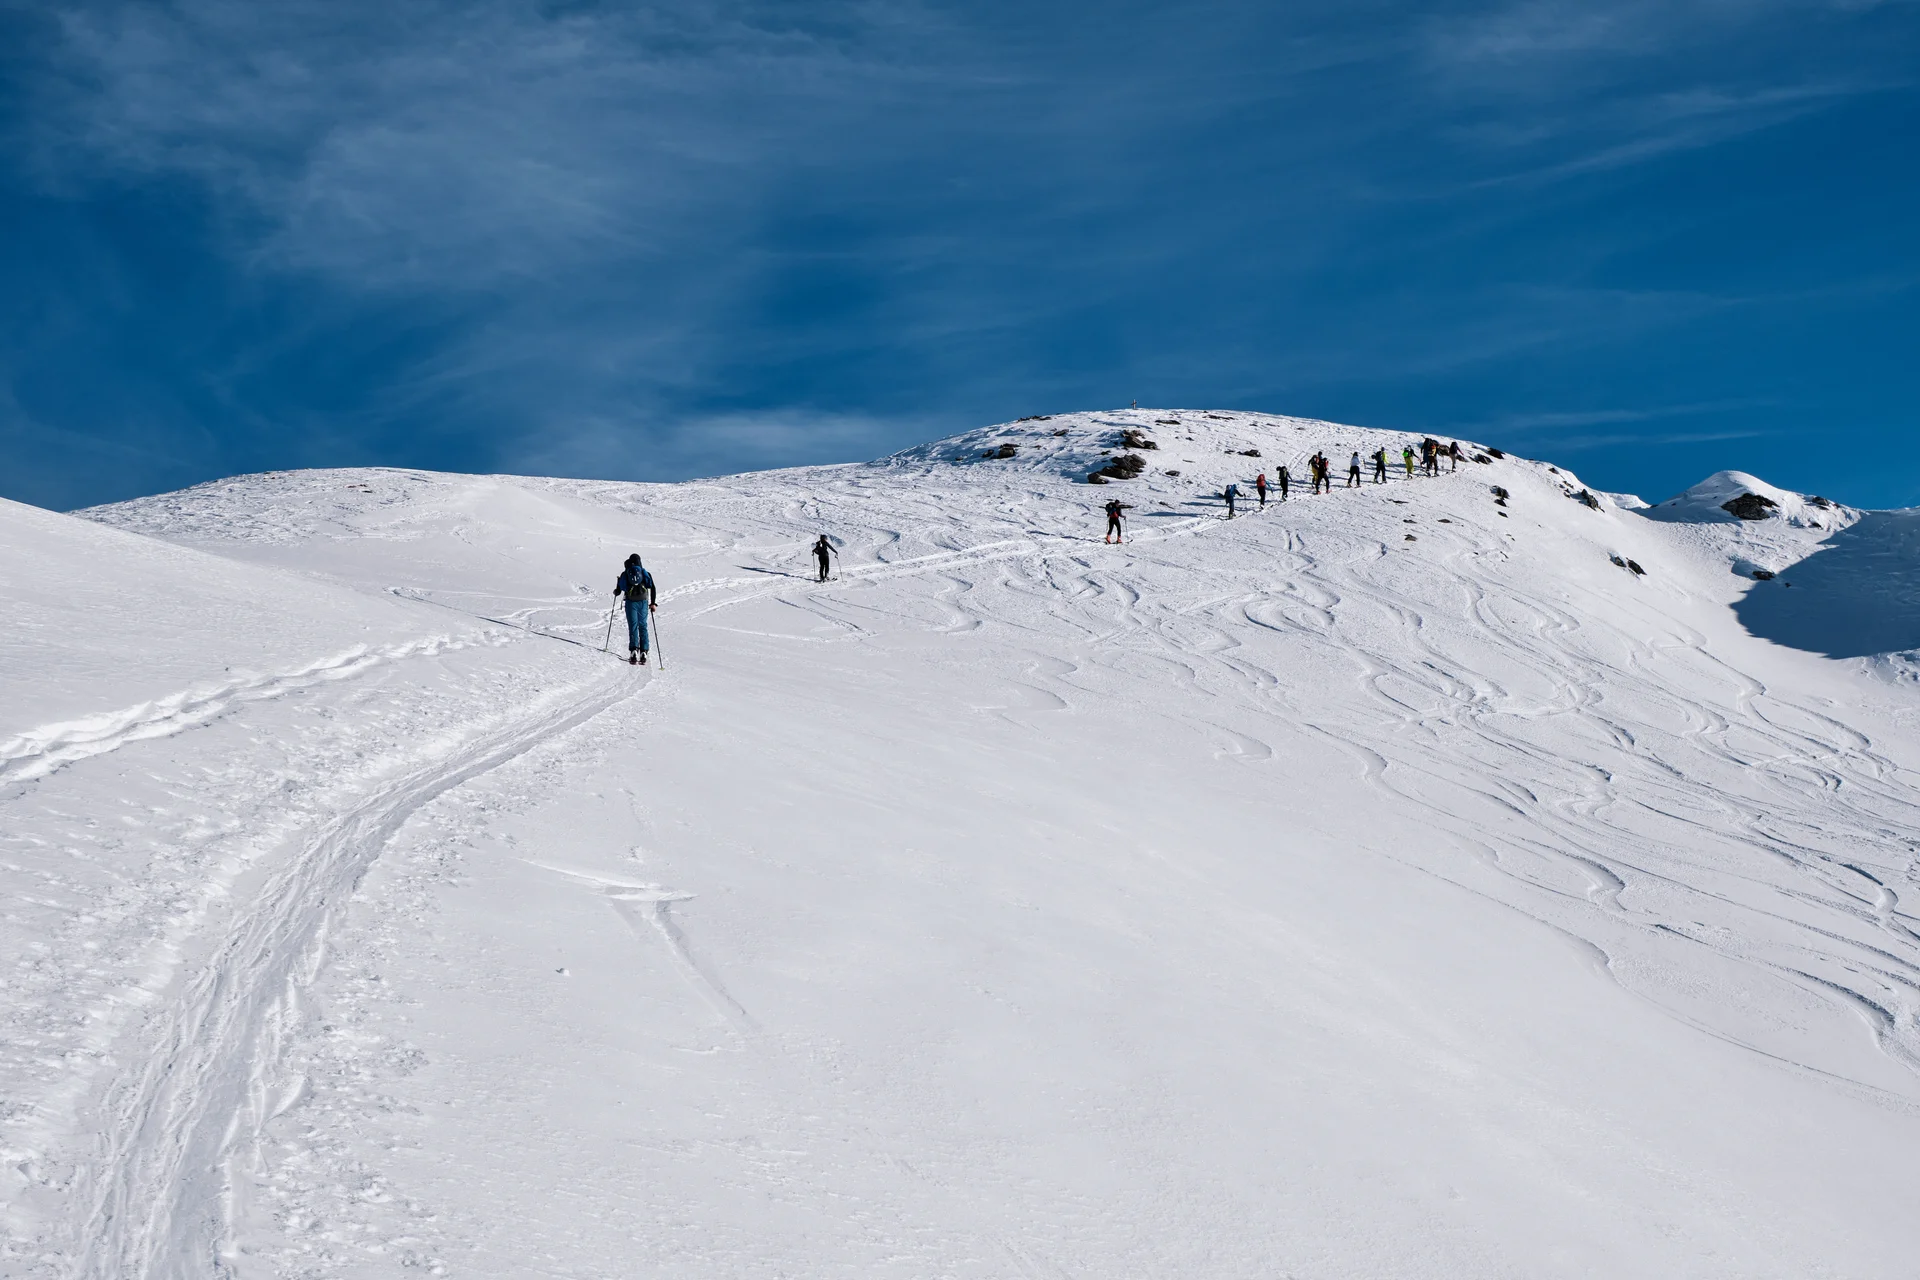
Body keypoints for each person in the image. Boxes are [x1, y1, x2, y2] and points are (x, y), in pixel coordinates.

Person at [612, 553, 658, 666]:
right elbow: (652, 587)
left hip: (630, 602)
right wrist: (652, 603)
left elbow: (619, 590)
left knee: (633, 626)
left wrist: (616, 591)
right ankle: (644, 651)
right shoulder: (644, 572)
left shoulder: (625, 573)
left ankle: (633, 650)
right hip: (643, 602)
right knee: (643, 625)